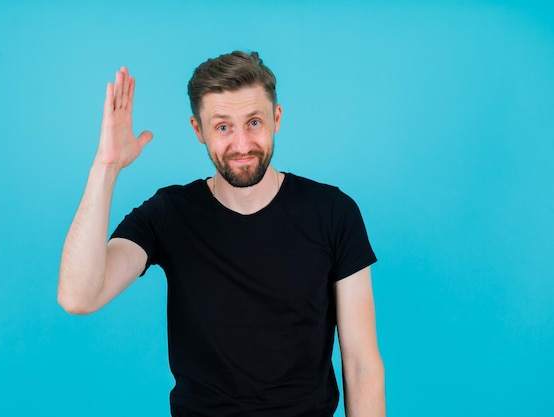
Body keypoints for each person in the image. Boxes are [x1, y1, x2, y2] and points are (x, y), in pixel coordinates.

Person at [58, 51, 385, 417]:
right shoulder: (169, 213)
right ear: (198, 130)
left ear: (276, 119)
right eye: (223, 126)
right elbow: (77, 297)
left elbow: (360, 364)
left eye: (254, 122)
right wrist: (106, 168)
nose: (242, 145)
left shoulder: (333, 212)